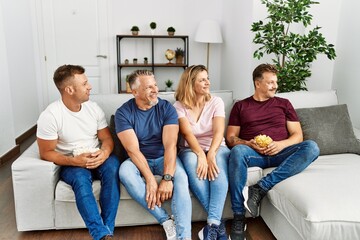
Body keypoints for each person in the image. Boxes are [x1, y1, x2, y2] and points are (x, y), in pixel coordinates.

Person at [226, 63, 320, 240]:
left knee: (312, 147)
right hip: (254, 155)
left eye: (275, 82)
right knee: (237, 151)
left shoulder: (284, 104)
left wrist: (281, 144)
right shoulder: (241, 106)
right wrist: (249, 143)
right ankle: (239, 217)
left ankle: (260, 187)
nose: (275, 86)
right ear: (257, 83)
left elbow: (297, 135)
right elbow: (231, 138)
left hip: (281, 153)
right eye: (270, 82)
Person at [36, 65, 120, 240]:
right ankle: (101, 234)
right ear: (70, 89)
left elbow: (107, 139)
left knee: (113, 168)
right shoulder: (51, 115)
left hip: (98, 156)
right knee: (81, 181)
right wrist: (75, 161)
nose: (89, 86)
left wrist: (104, 153)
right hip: (71, 162)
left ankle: (107, 232)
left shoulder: (93, 108)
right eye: (85, 83)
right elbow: (46, 153)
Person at [115, 70, 192, 240]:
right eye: (148, 87)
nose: (155, 89)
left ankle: (184, 237)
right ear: (134, 91)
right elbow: (133, 150)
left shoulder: (166, 108)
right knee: (124, 172)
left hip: (164, 156)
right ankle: (165, 220)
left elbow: (170, 146)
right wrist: (150, 179)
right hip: (138, 159)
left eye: (155, 85)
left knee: (181, 178)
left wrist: (167, 178)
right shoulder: (123, 113)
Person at [173, 65, 229, 240]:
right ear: (190, 83)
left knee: (217, 171)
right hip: (191, 148)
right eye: (202, 79)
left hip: (217, 146)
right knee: (195, 170)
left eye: (208, 78)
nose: (207, 82)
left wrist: (211, 154)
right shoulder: (178, 106)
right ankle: (218, 227)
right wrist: (200, 155)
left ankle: (211, 225)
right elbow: (187, 134)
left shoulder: (216, 102)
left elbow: (219, 132)